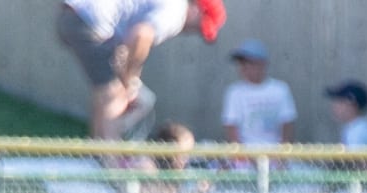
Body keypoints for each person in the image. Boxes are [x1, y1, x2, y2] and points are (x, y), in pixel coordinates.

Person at [57, 0, 228, 141]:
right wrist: (129, 79)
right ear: (197, 9)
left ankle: (96, 150)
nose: (193, 32)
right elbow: (141, 34)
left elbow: (128, 36)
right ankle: (110, 161)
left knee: (107, 90)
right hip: (88, 21)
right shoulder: (176, 13)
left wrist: (127, 77)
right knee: (114, 93)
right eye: (199, 26)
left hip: (76, 15)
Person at [221, 39, 297, 146]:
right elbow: (231, 126)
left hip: (276, 154)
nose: (243, 68)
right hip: (245, 155)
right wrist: (241, 155)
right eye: (241, 64)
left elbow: (287, 123)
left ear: (262, 64)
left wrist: (282, 156)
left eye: (248, 63)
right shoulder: (234, 92)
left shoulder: (280, 89)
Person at [324, 79, 367, 147]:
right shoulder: (353, 127)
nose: (334, 106)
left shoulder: (358, 132)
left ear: (351, 104)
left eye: (339, 102)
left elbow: (354, 157)